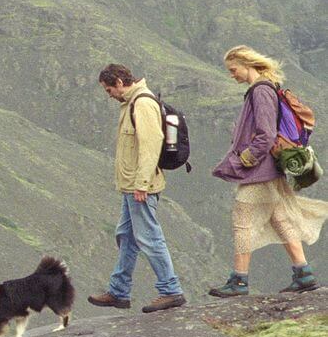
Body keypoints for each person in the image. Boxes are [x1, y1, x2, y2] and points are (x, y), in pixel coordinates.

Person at [209, 45, 328, 296]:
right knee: (280, 217)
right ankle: (304, 274)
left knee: (242, 220)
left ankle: (238, 281)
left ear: (247, 64)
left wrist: (246, 158)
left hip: (259, 170)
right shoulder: (265, 88)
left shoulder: (261, 91)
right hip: (270, 169)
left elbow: (265, 134)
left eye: (234, 70)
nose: (232, 75)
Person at [88, 65, 186, 313]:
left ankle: (170, 291)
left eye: (108, 88)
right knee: (127, 237)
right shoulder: (131, 103)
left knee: (149, 238)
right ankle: (119, 291)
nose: (108, 93)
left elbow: (151, 145)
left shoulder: (142, 104)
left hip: (140, 186)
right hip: (132, 185)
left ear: (120, 82)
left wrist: (142, 183)